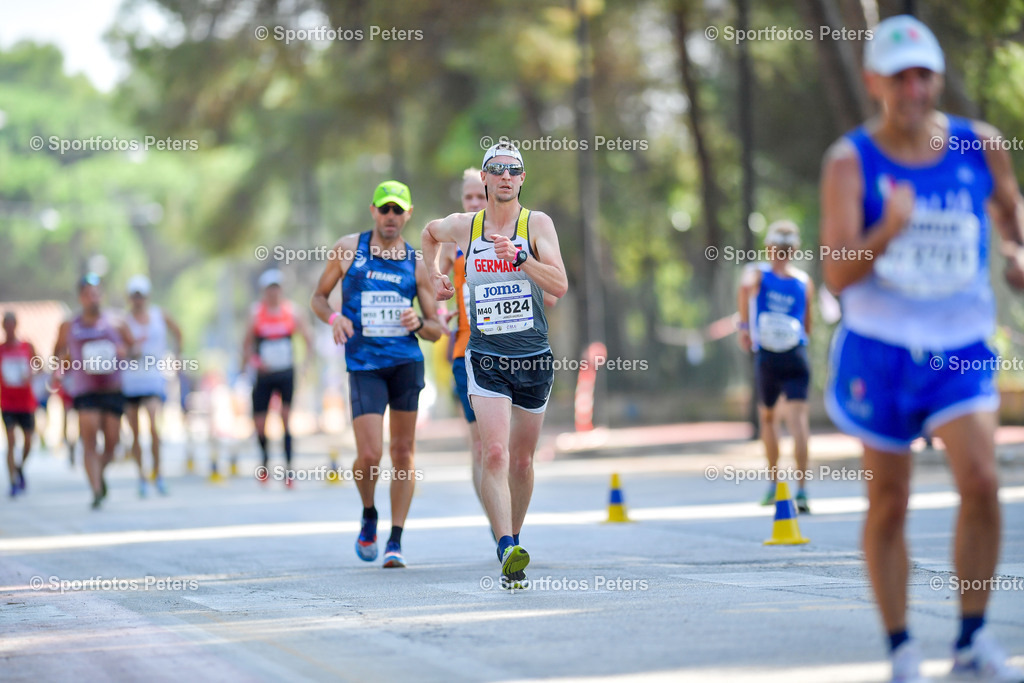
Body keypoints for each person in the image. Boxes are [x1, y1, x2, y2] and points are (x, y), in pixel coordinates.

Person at [820, 15, 1024, 683]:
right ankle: (903, 646)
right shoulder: (852, 160)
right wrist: (889, 228)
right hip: (881, 350)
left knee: (983, 484)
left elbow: (1011, 219)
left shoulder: (980, 145)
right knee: (890, 499)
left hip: (960, 345)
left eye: (925, 74)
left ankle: (971, 636)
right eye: (901, 76)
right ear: (875, 81)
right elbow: (838, 271)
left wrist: (1018, 254)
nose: (915, 88)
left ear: (936, 78)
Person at [422, 141, 569, 589]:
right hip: (484, 356)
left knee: (522, 461)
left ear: (522, 178)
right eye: (497, 169)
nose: (505, 176)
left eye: (514, 170)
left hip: (532, 358)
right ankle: (505, 544)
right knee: (495, 452)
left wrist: (522, 259)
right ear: (483, 179)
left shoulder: (536, 223)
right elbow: (428, 234)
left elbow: (559, 284)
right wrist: (434, 275)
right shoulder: (466, 227)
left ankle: (515, 538)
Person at [311, 180, 444, 568]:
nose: (390, 217)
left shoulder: (417, 263)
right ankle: (369, 512)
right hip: (365, 366)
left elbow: (437, 329)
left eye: (397, 210)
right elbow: (318, 298)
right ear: (372, 211)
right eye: (383, 209)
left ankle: (396, 539)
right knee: (370, 454)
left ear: (408, 214)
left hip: (405, 364)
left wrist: (418, 321)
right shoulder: (348, 249)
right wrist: (335, 318)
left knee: (403, 452)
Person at [737, 220, 814, 513]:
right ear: (794, 250)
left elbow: (744, 291)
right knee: (799, 422)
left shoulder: (757, 273)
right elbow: (808, 324)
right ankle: (803, 491)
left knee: (768, 419)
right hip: (796, 354)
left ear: (770, 248)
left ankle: (773, 486)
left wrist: (744, 327)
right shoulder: (804, 281)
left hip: (768, 355)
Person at [53, 274, 135, 509]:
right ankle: (96, 490)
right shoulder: (69, 325)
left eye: (97, 293)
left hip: (112, 388)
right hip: (85, 390)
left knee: (112, 444)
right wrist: (61, 368)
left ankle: (99, 472)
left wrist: (125, 351)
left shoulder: (117, 322)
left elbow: (134, 348)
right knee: (89, 443)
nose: (94, 298)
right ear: (81, 297)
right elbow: (58, 352)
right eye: (89, 294)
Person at [243, 269, 312, 489]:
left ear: (281, 290)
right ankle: (264, 464)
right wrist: (254, 363)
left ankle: (289, 471)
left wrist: (305, 366)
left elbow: (308, 339)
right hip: (263, 375)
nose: (273, 293)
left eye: (277, 288)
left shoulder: (292, 312)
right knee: (261, 425)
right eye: (269, 289)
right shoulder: (255, 313)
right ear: (264, 291)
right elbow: (246, 345)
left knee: (285, 419)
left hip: (285, 373)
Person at [121, 275, 183, 497]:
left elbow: (178, 332)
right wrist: (128, 352)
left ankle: (158, 473)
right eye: (135, 296)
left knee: (154, 428)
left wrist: (177, 358)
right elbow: (117, 348)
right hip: (129, 381)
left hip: (153, 379)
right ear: (130, 298)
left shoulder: (159, 315)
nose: (138, 300)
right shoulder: (123, 321)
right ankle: (141, 477)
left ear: (147, 297)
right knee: (135, 433)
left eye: (142, 296)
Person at [1, 312, 37, 497]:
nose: (9, 328)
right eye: (5, 325)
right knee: (11, 441)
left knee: (29, 441)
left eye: (11, 324)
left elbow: (38, 364)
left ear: (16, 325)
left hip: (26, 402)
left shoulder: (26, 346)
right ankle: (13, 480)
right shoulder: (0, 350)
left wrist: (30, 374)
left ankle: (20, 467)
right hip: (7, 402)